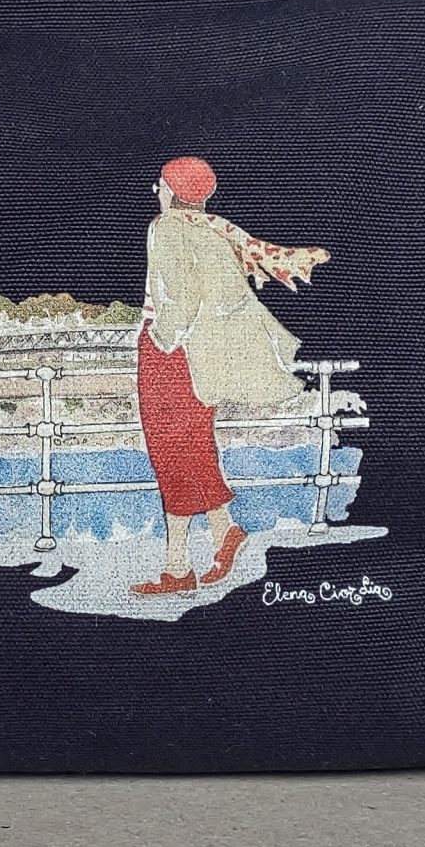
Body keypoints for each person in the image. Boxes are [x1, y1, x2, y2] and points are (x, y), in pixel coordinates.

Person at [131, 156, 331, 596]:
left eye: (161, 184)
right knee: (194, 448)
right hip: (201, 357)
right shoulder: (212, 229)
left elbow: (178, 300)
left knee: (171, 453)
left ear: (172, 191)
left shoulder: (166, 228)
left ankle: (180, 566)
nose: (156, 190)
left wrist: (160, 340)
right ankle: (221, 536)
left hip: (170, 355)